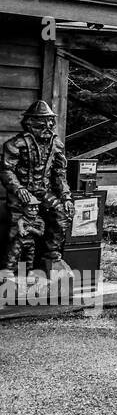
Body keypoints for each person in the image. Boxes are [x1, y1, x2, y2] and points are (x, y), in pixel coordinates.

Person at [0, 101, 72, 280]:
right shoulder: (16, 144)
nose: (47, 127)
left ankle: (52, 256)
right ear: (30, 123)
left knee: (61, 214)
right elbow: (6, 170)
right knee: (17, 229)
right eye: (42, 123)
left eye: (50, 122)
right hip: (21, 194)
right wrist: (18, 189)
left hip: (43, 191)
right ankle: (10, 269)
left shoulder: (56, 145)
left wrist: (66, 197)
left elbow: (60, 174)